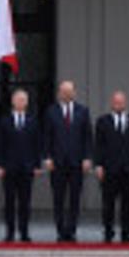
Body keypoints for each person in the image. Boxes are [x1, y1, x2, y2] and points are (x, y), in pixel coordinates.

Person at [42, 80, 92, 243]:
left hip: (77, 162)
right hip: (57, 162)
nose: (67, 94)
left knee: (75, 198)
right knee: (58, 198)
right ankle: (60, 230)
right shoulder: (51, 112)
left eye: (69, 91)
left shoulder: (83, 111)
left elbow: (87, 137)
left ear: (74, 93)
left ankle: (71, 231)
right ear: (59, 93)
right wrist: (47, 157)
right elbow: (46, 137)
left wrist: (87, 158)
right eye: (64, 91)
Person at [93, 90, 129, 243]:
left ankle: (126, 233)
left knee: (127, 204)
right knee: (108, 203)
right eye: (116, 102)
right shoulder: (103, 121)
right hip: (109, 169)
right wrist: (98, 165)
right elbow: (98, 145)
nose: (118, 105)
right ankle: (108, 232)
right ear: (112, 103)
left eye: (121, 102)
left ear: (125, 103)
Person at [0, 89, 39, 243]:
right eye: (18, 99)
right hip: (9, 167)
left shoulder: (33, 120)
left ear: (27, 102)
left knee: (25, 202)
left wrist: (37, 165)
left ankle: (24, 232)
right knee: (9, 202)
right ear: (13, 102)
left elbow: (37, 144)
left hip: (27, 167)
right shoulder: (4, 121)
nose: (21, 102)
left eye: (24, 100)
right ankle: (10, 232)